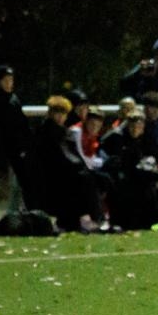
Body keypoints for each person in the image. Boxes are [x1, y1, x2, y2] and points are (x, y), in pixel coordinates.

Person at [32, 95, 105, 233]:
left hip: (67, 171)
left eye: (63, 113)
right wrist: (78, 168)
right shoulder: (45, 132)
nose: (60, 116)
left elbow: (72, 155)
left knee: (92, 178)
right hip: (52, 174)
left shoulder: (63, 131)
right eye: (57, 112)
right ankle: (91, 219)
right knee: (85, 179)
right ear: (50, 113)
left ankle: (94, 218)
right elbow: (57, 157)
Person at [0, 64, 37, 212]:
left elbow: (23, 126)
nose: (9, 83)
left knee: (22, 184)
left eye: (11, 80)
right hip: (6, 153)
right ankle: (12, 214)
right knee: (13, 186)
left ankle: (24, 212)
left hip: (19, 151)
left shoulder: (14, 100)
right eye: (5, 80)